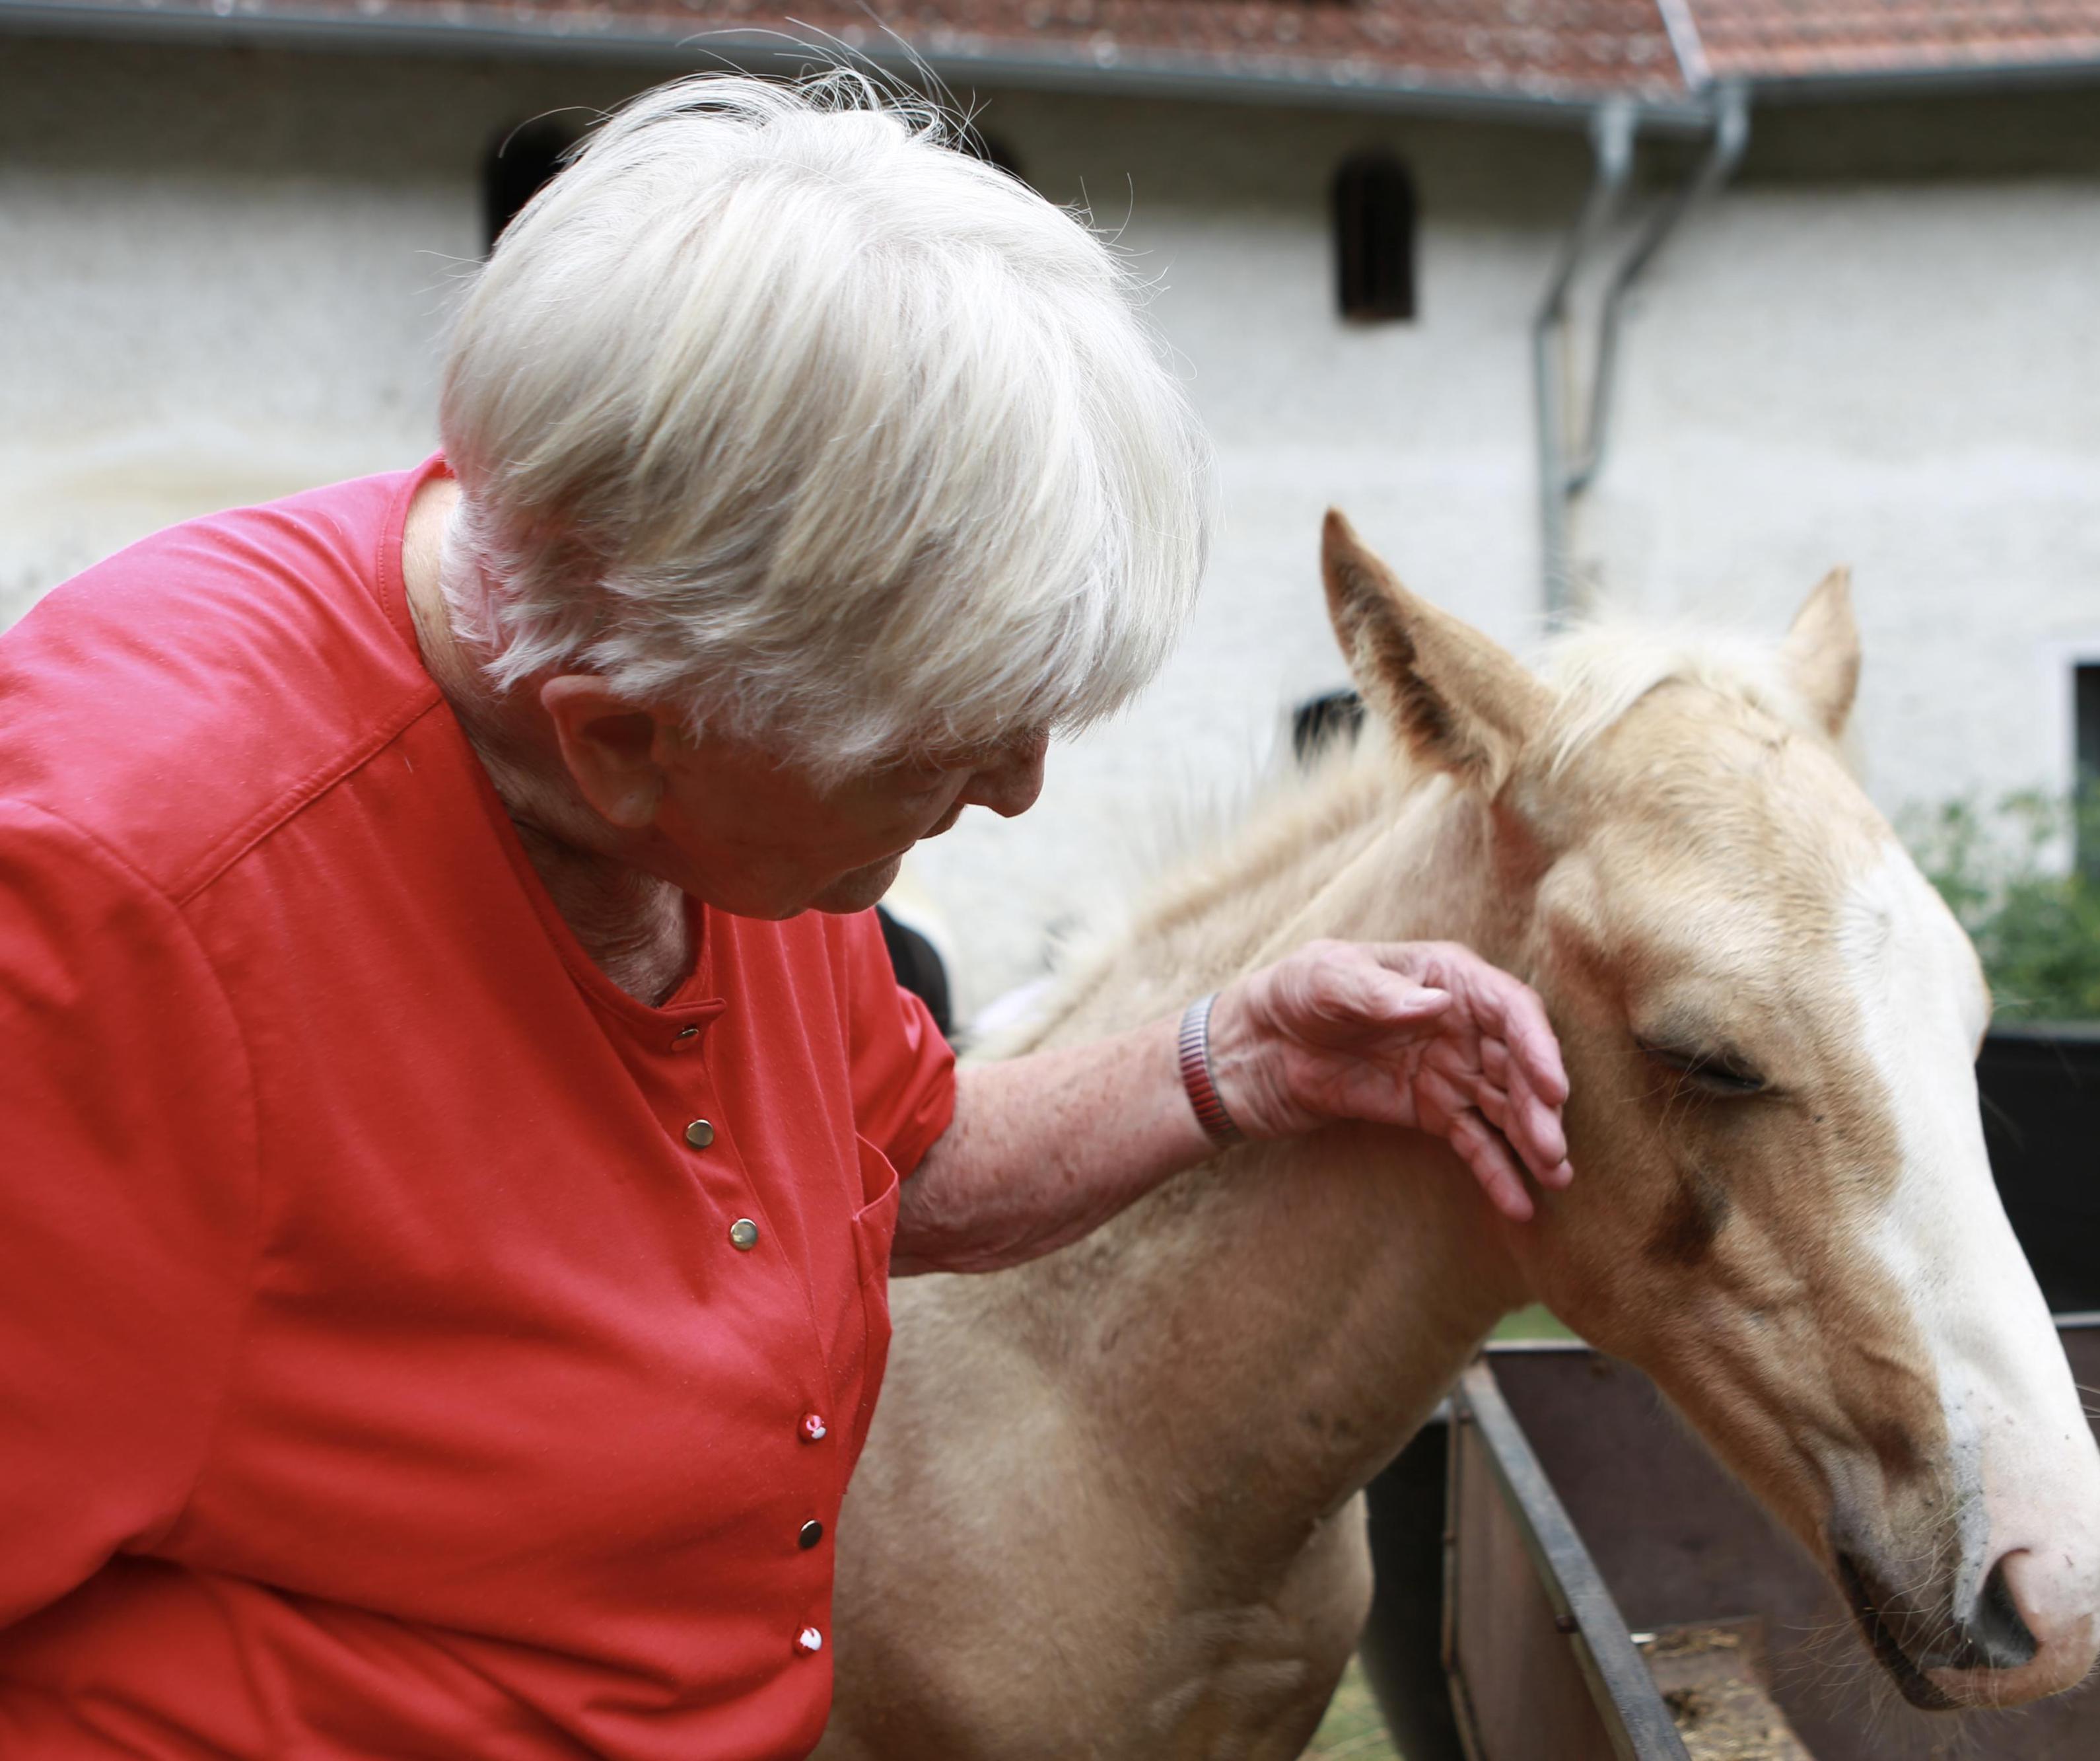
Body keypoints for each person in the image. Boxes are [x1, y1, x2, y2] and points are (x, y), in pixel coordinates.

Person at [0, 71, 1570, 1757]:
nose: (1017, 793)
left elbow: (882, 1166)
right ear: (623, 745)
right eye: (935, 764)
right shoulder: (117, 913)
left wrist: (1222, 1059)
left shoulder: (692, 657)